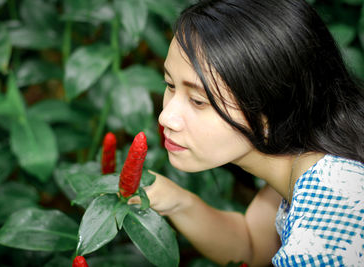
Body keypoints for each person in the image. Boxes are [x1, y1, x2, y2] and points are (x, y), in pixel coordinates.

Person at [130, 0, 364, 266]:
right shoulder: (313, 160)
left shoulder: (321, 239)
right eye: (170, 85)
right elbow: (254, 244)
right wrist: (176, 201)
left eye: (198, 101)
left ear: (270, 111)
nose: (165, 117)